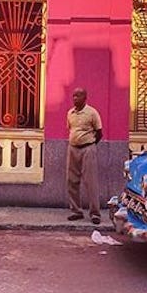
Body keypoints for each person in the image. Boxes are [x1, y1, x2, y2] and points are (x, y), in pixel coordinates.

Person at [65, 87, 103, 224]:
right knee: (71, 181)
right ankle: (76, 211)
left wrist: (90, 145)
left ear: (85, 98)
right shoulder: (70, 113)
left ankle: (95, 214)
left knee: (91, 181)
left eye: (78, 96)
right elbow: (70, 129)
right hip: (73, 148)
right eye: (74, 96)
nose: (75, 98)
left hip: (88, 148)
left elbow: (99, 133)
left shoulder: (92, 113)